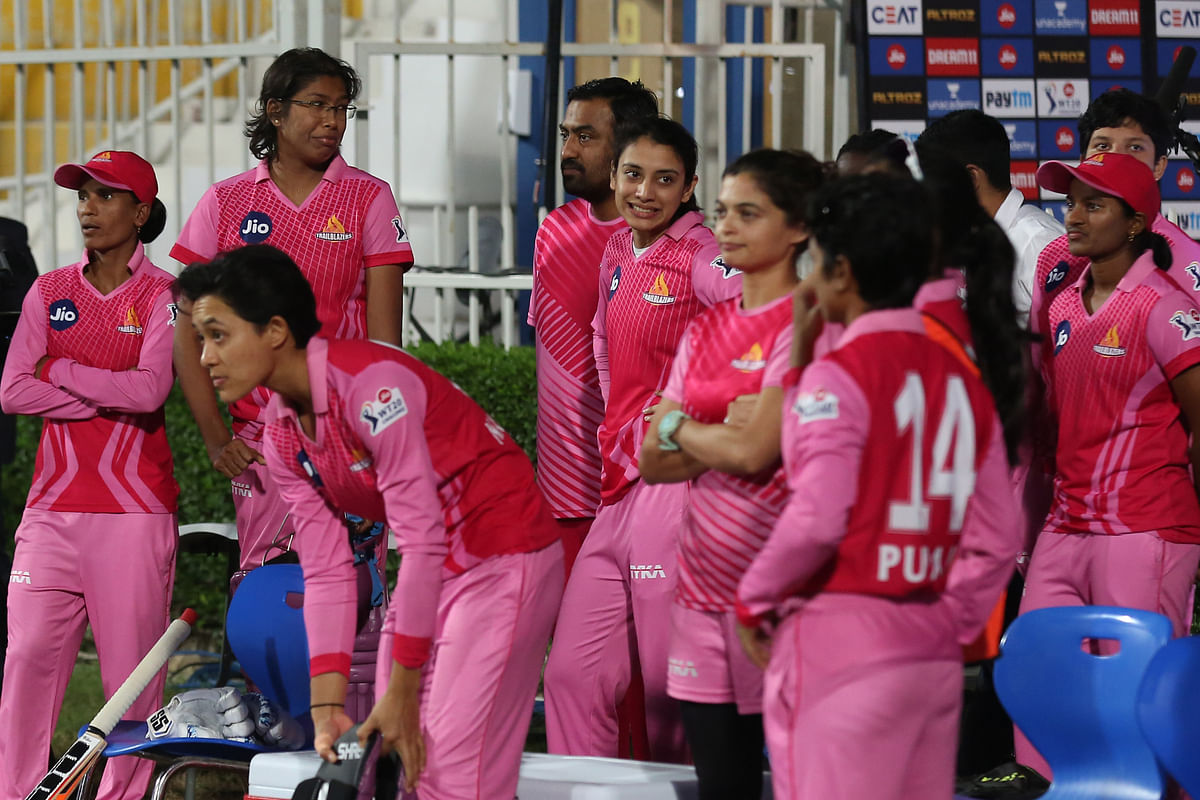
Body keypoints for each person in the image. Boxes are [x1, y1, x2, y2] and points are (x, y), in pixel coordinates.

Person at [177, 244, 562, 799]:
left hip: (505, 558)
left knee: (450, 773)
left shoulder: (373, 388)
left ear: (276, 331)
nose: (205, 357)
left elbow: (423, 543)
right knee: (402, 761)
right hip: (438, 567)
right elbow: (330, 572)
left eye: (218, 335)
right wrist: (328, 710)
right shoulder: (282, 431)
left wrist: (401, 692)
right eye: (201, 338)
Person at [736, 172, 1021, 800]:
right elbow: (1000, 536)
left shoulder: (835, 379)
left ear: (840, 273)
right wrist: (949, 621)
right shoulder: (961, 377)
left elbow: (817, 517)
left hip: (840, 649)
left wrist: (753, 597)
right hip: (933, 657)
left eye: (815, 262)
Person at [543, 116, 742, 763]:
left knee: (670, 686)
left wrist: (695, 422)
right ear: (615, 176)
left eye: (665, 179)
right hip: (620, 489)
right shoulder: (617, 252)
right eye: (634, 174)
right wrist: (623, 436)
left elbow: (762, 308)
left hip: (679, 492)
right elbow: (604, 347)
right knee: (572, 675)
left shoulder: (702, 254)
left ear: (688, 190)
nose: (646, 191)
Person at [171, 47, 413, 571]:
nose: (333, 121)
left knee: (357, 607)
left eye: (342, 108)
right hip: (258, 443)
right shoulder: (224, 201)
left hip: (347, 438)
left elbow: (385, 346)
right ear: (275, 111)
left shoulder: (370, 198)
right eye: (317, 105)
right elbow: (185, 332)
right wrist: (218, 439)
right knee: (268, 600)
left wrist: (379, 437)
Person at [637, 149, 827, 798]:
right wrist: (723, 433)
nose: (727, 227)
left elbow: (756, 455)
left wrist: (682, 427)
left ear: (799, 226)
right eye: (722, 212)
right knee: (723, 785)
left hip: (781, 600)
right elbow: (650, 461)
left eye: (750, 213)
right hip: (699, 597)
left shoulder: (809, 320)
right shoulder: (706, 326)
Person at [1016, 153, 1200, 780]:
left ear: (1135, 224)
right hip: (1065, 528)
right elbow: (1047, 419)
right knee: (1038, 678)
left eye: (1093, 204)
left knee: (1141, 704)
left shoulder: (1163, 306)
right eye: (1070, 202)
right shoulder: (1060, 302)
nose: (1072, 216)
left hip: (1143, 530)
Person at [0, 151, 177, 800]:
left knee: (131, 683)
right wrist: (106, 390)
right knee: (23, 662)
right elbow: (13, 391)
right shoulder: (48, 292)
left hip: (133, 514)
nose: (86, 209)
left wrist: (62, 375)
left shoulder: (167, 297)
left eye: (105, 197)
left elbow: (151, 389)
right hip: (49, 512)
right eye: (83, 196)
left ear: (141, 212)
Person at [529, 76, 658, 575]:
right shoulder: (553, 229)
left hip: (635, 494)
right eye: (566, 135)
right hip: (561, 498)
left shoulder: (662, 246)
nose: (568, 149)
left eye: (585, 136)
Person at [1031, 89, 1200, 342]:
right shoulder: (1052, 258)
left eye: (1135, 147)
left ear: (1159, 166)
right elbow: (1037, 363)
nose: (1117, 159)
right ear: (1083, 160)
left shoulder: (1189, 265)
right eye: (1102, 146)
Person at [917, 109, 1064, 328]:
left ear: (970, 178)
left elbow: (1072, 345)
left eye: (931, 181)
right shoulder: (967, 243)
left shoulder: (1041, 244)